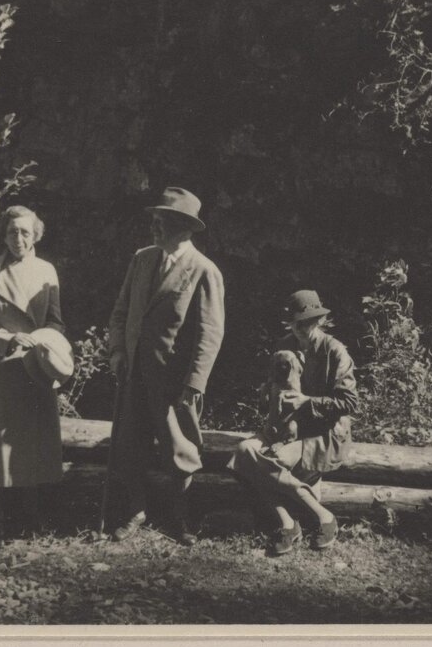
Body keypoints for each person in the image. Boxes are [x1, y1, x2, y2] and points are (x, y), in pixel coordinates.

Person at [106, 187, 225, 545]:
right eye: (155, 220)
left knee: (181, 449)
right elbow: (120, 313)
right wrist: (116, 352)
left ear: (184, 227)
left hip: (175, 383)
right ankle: (136, 510)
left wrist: (194, 383)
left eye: (163, 221)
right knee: (130, 445)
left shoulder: (203, 270)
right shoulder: (142, 259)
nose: (155, 227)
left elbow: (211, 331)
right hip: (134, 374)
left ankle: (181, 516)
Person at [0, 205, 68, 548]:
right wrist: (6, 339)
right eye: (12, 232)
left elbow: (56, 321)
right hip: (0, 366)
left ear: (36, 234)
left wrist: (41, 341)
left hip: (35, 368)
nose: (19, 239)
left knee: (30, 443)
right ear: (3, 235)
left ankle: (31, 518)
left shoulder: (46, 271)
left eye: (25, 232)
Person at [228, 290, 359, 554]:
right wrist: (266, 394)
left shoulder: (335, 351)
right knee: (243, 452)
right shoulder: (284, 345)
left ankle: (320, 518)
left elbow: (349, 403)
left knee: (267, 464)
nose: (300, 329)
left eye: (306, 323)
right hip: (285, 430)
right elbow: (272, 400)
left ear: (319, 321)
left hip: (322, 433)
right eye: (296, 323)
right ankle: (293, 522)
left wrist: (306, 401)